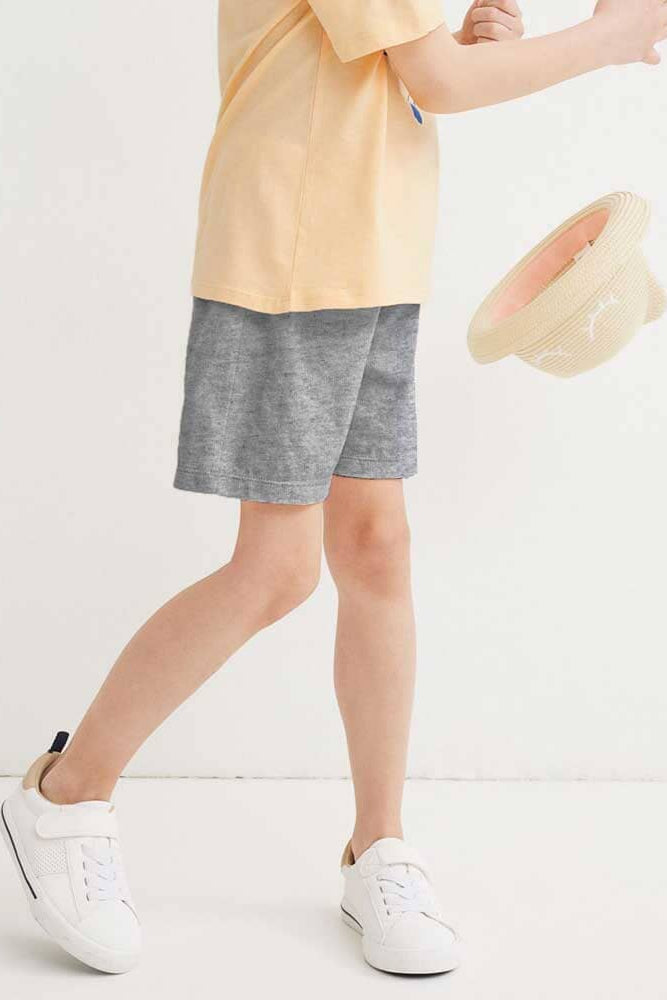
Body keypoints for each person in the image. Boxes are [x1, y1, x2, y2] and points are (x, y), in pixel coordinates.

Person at [3, 0, 666, 978]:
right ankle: (64, 796)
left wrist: (463, 41)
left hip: (372, 262)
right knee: (277, 571)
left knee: (375, 551)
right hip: (291, 267)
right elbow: (439, 82)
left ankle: (376, 848)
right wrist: (604, 38)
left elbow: (400, 69)